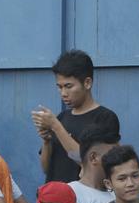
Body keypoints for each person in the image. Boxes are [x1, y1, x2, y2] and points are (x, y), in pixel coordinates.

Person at [33, 50, 121, 183]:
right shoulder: (62, 117)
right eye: (59, 87)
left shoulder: (105, 118)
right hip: (54, 201)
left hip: (83, 201)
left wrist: (56, 127)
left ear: (87, 83)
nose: (63, 93)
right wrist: (46, 142)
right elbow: (46, 169)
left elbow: (90, 164)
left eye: (68, 86)